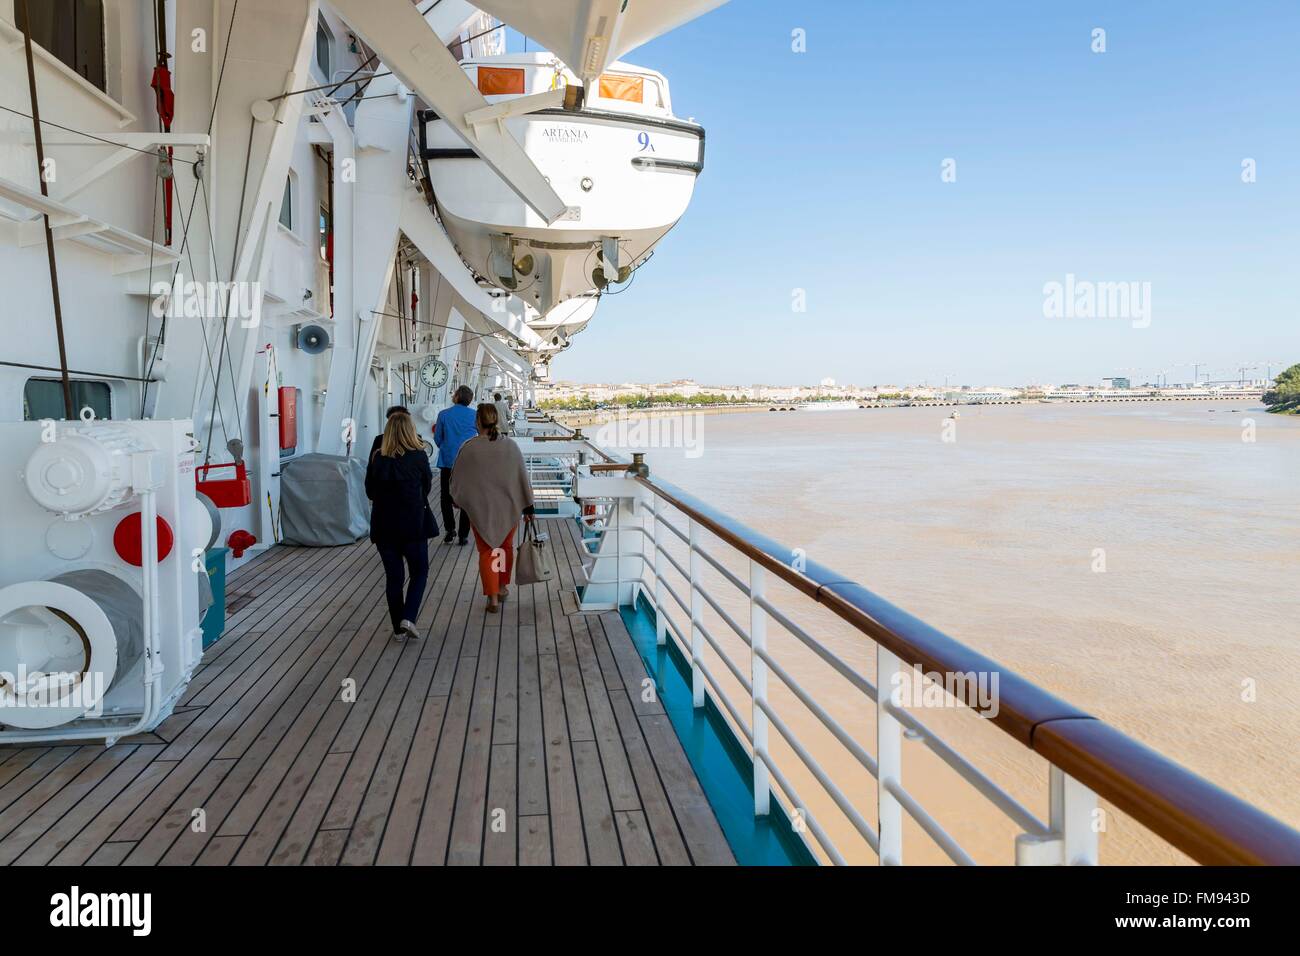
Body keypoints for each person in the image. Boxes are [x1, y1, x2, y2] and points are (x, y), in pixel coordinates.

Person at [451, 403, 535, 613]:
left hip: (481, 511)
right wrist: (529, 508)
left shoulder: (469, 447)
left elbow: (457, 480)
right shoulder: (511, 446)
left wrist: (461, 500)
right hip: (508, 509)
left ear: (478, 421)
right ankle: (502, 587)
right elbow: (522, 478)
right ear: (496, 419)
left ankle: (493, 598)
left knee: (488, 550)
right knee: (504, 548)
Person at [365, 411, 437, 641]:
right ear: (409, 430)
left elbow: (370, 491)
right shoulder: (418, 456)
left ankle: (397, 629)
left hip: (384, 527)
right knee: (420, 572)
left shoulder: (377, 457)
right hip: (413, 525)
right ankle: (408, 617)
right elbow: (426, 486)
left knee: (394, 578)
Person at [432, 385, 477, 544]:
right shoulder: (475, 415)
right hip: (468, 463)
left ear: (457, 396)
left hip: (447, 461)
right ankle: (463, 535)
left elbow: (437, 438)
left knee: (446, 496)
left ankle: (450, 529)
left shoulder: (444, 415)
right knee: (466, 497)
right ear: (470, 399)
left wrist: (447, 447)